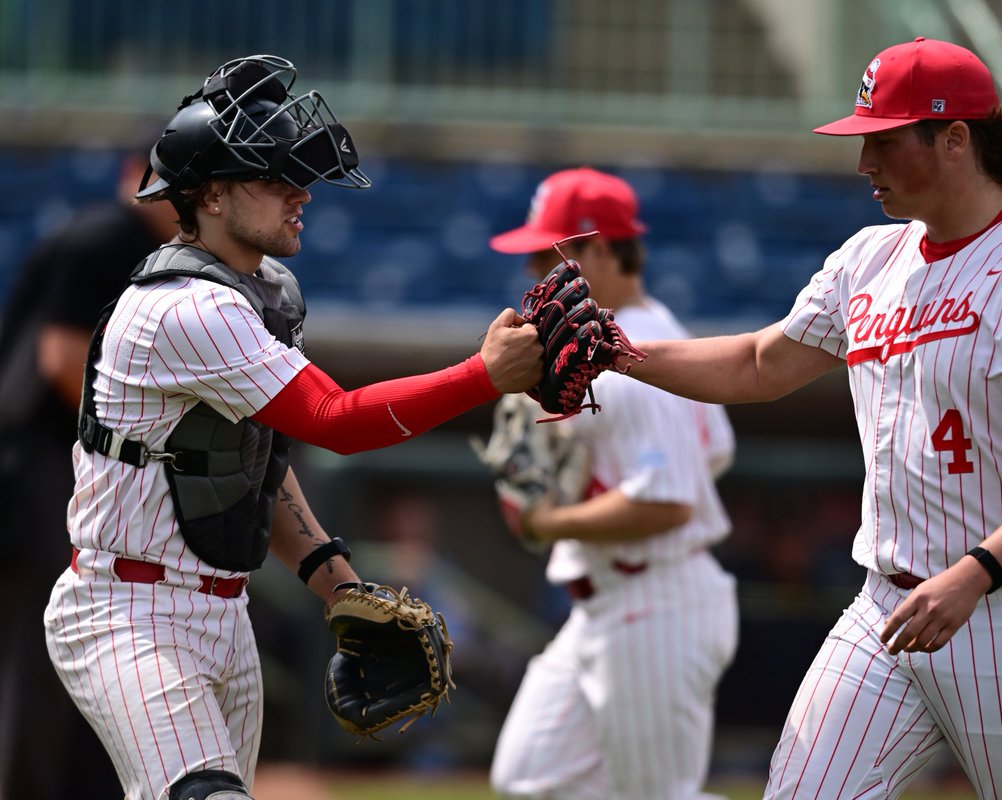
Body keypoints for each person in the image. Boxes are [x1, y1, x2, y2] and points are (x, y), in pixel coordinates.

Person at [618, 37, 1002, 799]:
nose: (864, 163)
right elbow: (762, 365)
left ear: (955, 138)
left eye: (883, 140)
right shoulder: (868, 258)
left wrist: (976, 573)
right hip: (884, 608)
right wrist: (622, 353)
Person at [41, 54, 542, 800]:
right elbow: (336, 422)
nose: (301, 192)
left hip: (222, 610)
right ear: (210, 194)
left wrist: (337, 586)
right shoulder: (188, 308)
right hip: (129, 610)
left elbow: (253, 465)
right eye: (273, 176)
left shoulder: (259, 291)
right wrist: (482, 376)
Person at [486, 167, 740, 800]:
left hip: (656, 599)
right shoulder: (653, 332)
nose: (532, 277)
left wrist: (546, 520)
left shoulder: (636, 352)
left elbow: (668, 502)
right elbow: (717, 453)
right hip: (611, 601)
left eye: (546, 256)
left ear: (597, 250)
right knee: (529, 777)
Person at [0, 146, 177, 800]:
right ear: (134, 176)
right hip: (41, 465)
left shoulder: (150, 255)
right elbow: (62, 361)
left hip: (60, 466)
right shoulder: (108, 237)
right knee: (44, 653)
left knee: (77, 650)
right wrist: (151, 443)